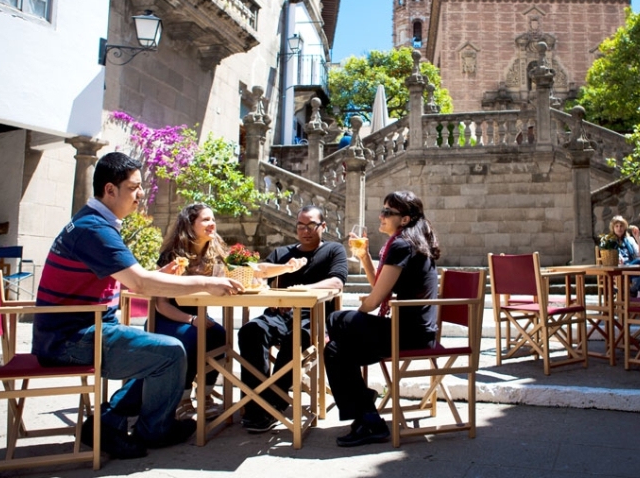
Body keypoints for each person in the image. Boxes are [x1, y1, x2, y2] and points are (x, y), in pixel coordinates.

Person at [31, 153, 243, 460]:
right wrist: (206, 284)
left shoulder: (94, 223)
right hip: (70, 339)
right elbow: (140, 285)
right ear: (110, 190)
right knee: (170, 352)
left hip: (85, 329)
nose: (141, 194)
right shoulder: (95, 230)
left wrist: (155, 276)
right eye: (135, 187)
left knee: (155, 349)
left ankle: (107, 423)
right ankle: (153, 430)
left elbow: (129, 280)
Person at [325, 190, 440, 447]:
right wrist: (365, 257)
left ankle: (363, 404)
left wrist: (354, 320)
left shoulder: (402, 246)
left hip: (410, 335)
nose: (381, 216)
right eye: (383, 210)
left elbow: (376, 299)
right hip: (410, 330)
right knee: (334, 349)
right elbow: (381, 287)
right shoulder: (407, 243)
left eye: (388, 212)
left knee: (336, 320)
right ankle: (369, 417)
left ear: (405, 219)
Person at [237, 205, 347, 433]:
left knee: (294, 339)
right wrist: (284, 268)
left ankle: (272, 403)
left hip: (313, 319)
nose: (305, 230)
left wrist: (302, 289)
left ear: (323, 226)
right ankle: (256, 403)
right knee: (250, 331)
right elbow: (258, 271)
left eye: (311, 225)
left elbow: (337, 282)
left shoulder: (334, 250)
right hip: (278, 315)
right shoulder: (282, 254)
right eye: (301, 226)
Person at [153, 203, 229, 421]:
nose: (212, 223)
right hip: (169, 317)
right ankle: (183, 400)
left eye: (213, 219)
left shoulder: (215, 254)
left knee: (219, 334)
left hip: (197, 318)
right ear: (190, 225)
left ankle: (204, 396)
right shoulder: (172, 256)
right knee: (193, 337)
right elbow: (162, 304)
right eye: (205, 220)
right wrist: (192, 319)